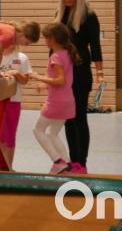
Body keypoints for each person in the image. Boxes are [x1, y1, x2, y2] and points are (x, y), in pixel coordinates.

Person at [56, 0, 103, 174]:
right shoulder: (60, 14)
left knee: (79, 118)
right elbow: (55, 45)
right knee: (68, 118)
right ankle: (73, 160)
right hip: (63, 72)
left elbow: (95, 46)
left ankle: (81, 162)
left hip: (81, 70)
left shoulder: (89, 16)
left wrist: (100, 72)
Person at [30, 23, 78, 175]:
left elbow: (60, 80)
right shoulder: (66, 54)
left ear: (52, 39)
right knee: (52, 134)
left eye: (46, 38)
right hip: (68, 101)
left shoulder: (55, 56)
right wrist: (43, 84)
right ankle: (68, 163)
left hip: (56, 102)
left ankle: (58, 162)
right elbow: (62, 82)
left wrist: (39, 77)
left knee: (37, 130)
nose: (45, 41)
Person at [0, 44, 32, 168]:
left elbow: (25, 81)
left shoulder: (22, 57)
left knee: (10, 135)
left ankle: (8, 166)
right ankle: (1, 165)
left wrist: (16, 73)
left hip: (14, 100)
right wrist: (1, 74)